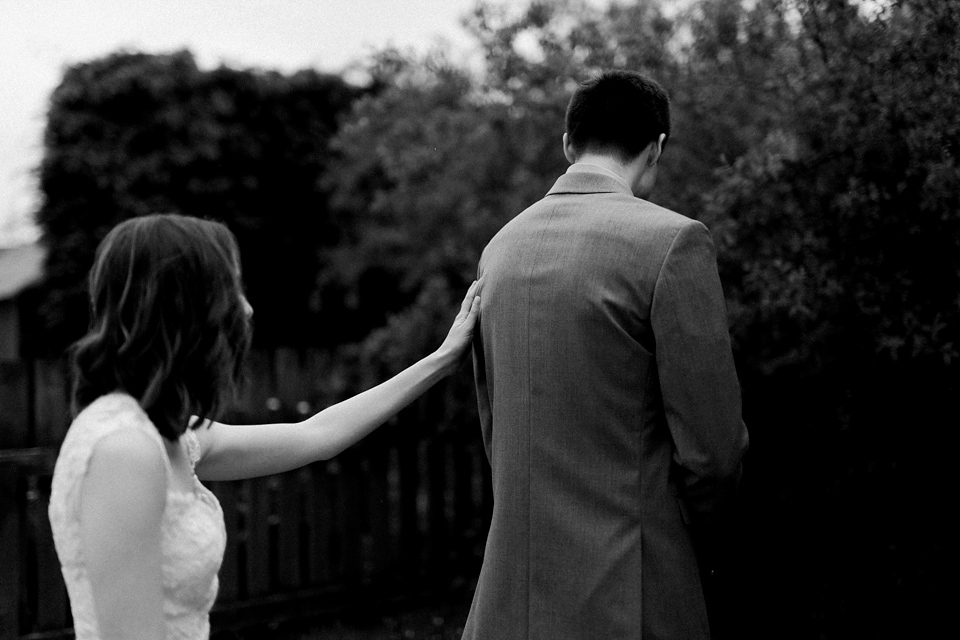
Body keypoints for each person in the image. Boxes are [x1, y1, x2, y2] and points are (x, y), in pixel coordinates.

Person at [48, 213, 481, 640]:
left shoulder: (172, 435)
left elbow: (316, 436)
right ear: (182, 306)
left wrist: (442, 360)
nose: (247, 309)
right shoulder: (122, 450)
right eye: (230, 290)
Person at [462, 70, 749, 640]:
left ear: (569, 143)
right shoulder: (673, 242)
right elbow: (713, 453)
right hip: (634, 590)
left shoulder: (500, 248)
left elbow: (496, 431)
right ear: (656, 147)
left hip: (510, 599)